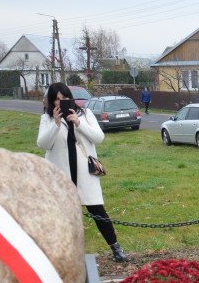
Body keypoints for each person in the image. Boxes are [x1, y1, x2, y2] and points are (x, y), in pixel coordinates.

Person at [36, 82, 129, 263]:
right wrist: (55, 125)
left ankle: (116, 248)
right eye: (57, 99)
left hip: (85, 173)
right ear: (51, 102)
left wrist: (78, 123)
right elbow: (43, 144)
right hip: (61, 174)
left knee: (97, 210)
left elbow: (98, 137)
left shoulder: (85, 114)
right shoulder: (46, 120)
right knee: (61, 215)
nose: (61, 102)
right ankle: (61, 254)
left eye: (65, 98)